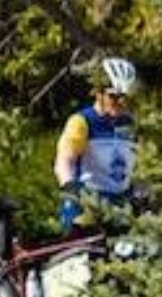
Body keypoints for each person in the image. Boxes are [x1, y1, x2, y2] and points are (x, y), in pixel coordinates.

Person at [54, 56, 139, 232]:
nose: (120, 103)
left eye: (125, 97)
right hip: (87, 204)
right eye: (113, 96)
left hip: (122, 205)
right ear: (98, 93)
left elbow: (138, 166)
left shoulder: (130, 125)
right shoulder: (82, 122)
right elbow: (64, 161)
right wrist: (69, 186)